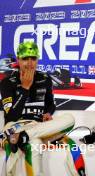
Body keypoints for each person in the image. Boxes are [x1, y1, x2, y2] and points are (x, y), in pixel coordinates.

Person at [0, 41, 85, 176]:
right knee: (35, 144)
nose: (29, 63)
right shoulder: (7, 82)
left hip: (37, 128)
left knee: (70, 119)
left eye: (33, 58)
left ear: (37, 60)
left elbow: (51, 104)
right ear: (18, 60)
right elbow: (11, 117)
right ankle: (23, 136)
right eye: (25, 58)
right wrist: (25, 88)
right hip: (15, 127)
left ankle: (23, 137)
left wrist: (48, 113)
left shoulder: (45, 79)